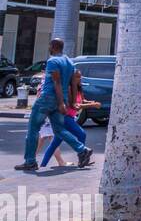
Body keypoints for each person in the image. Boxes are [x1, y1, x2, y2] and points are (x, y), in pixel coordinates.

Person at [16, 38, 91, 171]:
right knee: (59, 130)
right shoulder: (69, 61)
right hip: (61, 100)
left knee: (33, 129)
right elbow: (73, 83)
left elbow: (56, 82)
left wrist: (62, 102)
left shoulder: (53, 61)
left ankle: (30, 161)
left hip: (48, 99)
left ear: (53, 47)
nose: (49, 48)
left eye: (50, 46)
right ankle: (82, 149)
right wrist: (71, 102)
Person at [41, 70, 96, 167]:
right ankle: (82, 157)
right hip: (64, 117)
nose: (80, 79)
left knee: (55, 143)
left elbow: (82, 100)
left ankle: (42, 165)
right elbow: (74, 106)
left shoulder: (78, 88)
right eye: (77, 77)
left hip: (70, 117)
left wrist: (89, 102)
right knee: (81, 134)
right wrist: (92, 105)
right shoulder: (69, 89)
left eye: (80, 77)